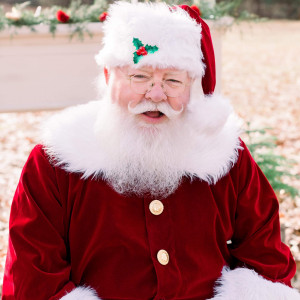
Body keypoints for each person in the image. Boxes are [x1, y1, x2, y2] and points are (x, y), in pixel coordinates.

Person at [2, 2, 300, 300]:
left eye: (172, 81)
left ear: (190, 86)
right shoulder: (56, 162)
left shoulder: (225, 156)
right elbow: (33, 278)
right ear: (108, 77)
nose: (156, 95)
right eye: (140, 77)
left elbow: (266, 260)